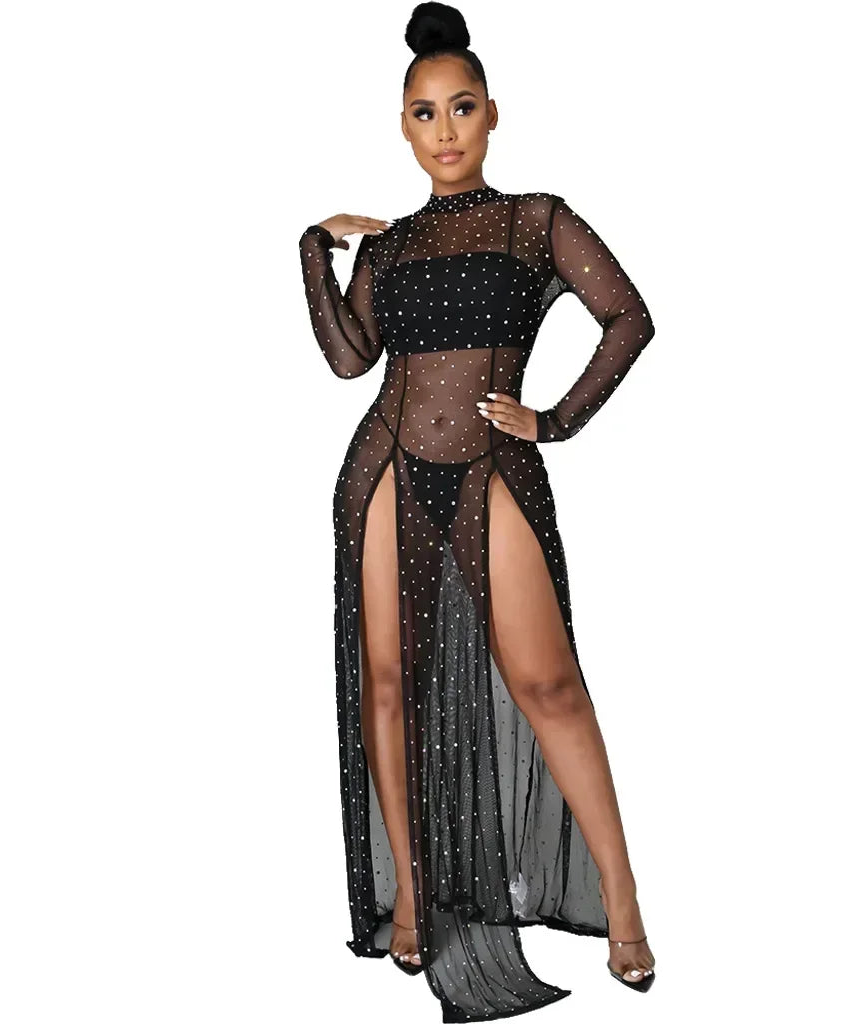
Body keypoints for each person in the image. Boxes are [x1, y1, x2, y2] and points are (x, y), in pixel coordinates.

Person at [298, 3, 657, 1018]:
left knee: (548, 683)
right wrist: (314, 250)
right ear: (403, 127)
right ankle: (411, 898)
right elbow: (350, 359)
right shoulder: (392, 248)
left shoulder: (535, 220)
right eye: (424, 113)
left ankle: (624, 906)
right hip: (383, 468)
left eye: (461, 107)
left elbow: (629, 316)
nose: (445, 129)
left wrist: (555, 420)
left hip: (494, 464)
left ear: (492, 112)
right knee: (385, 686)